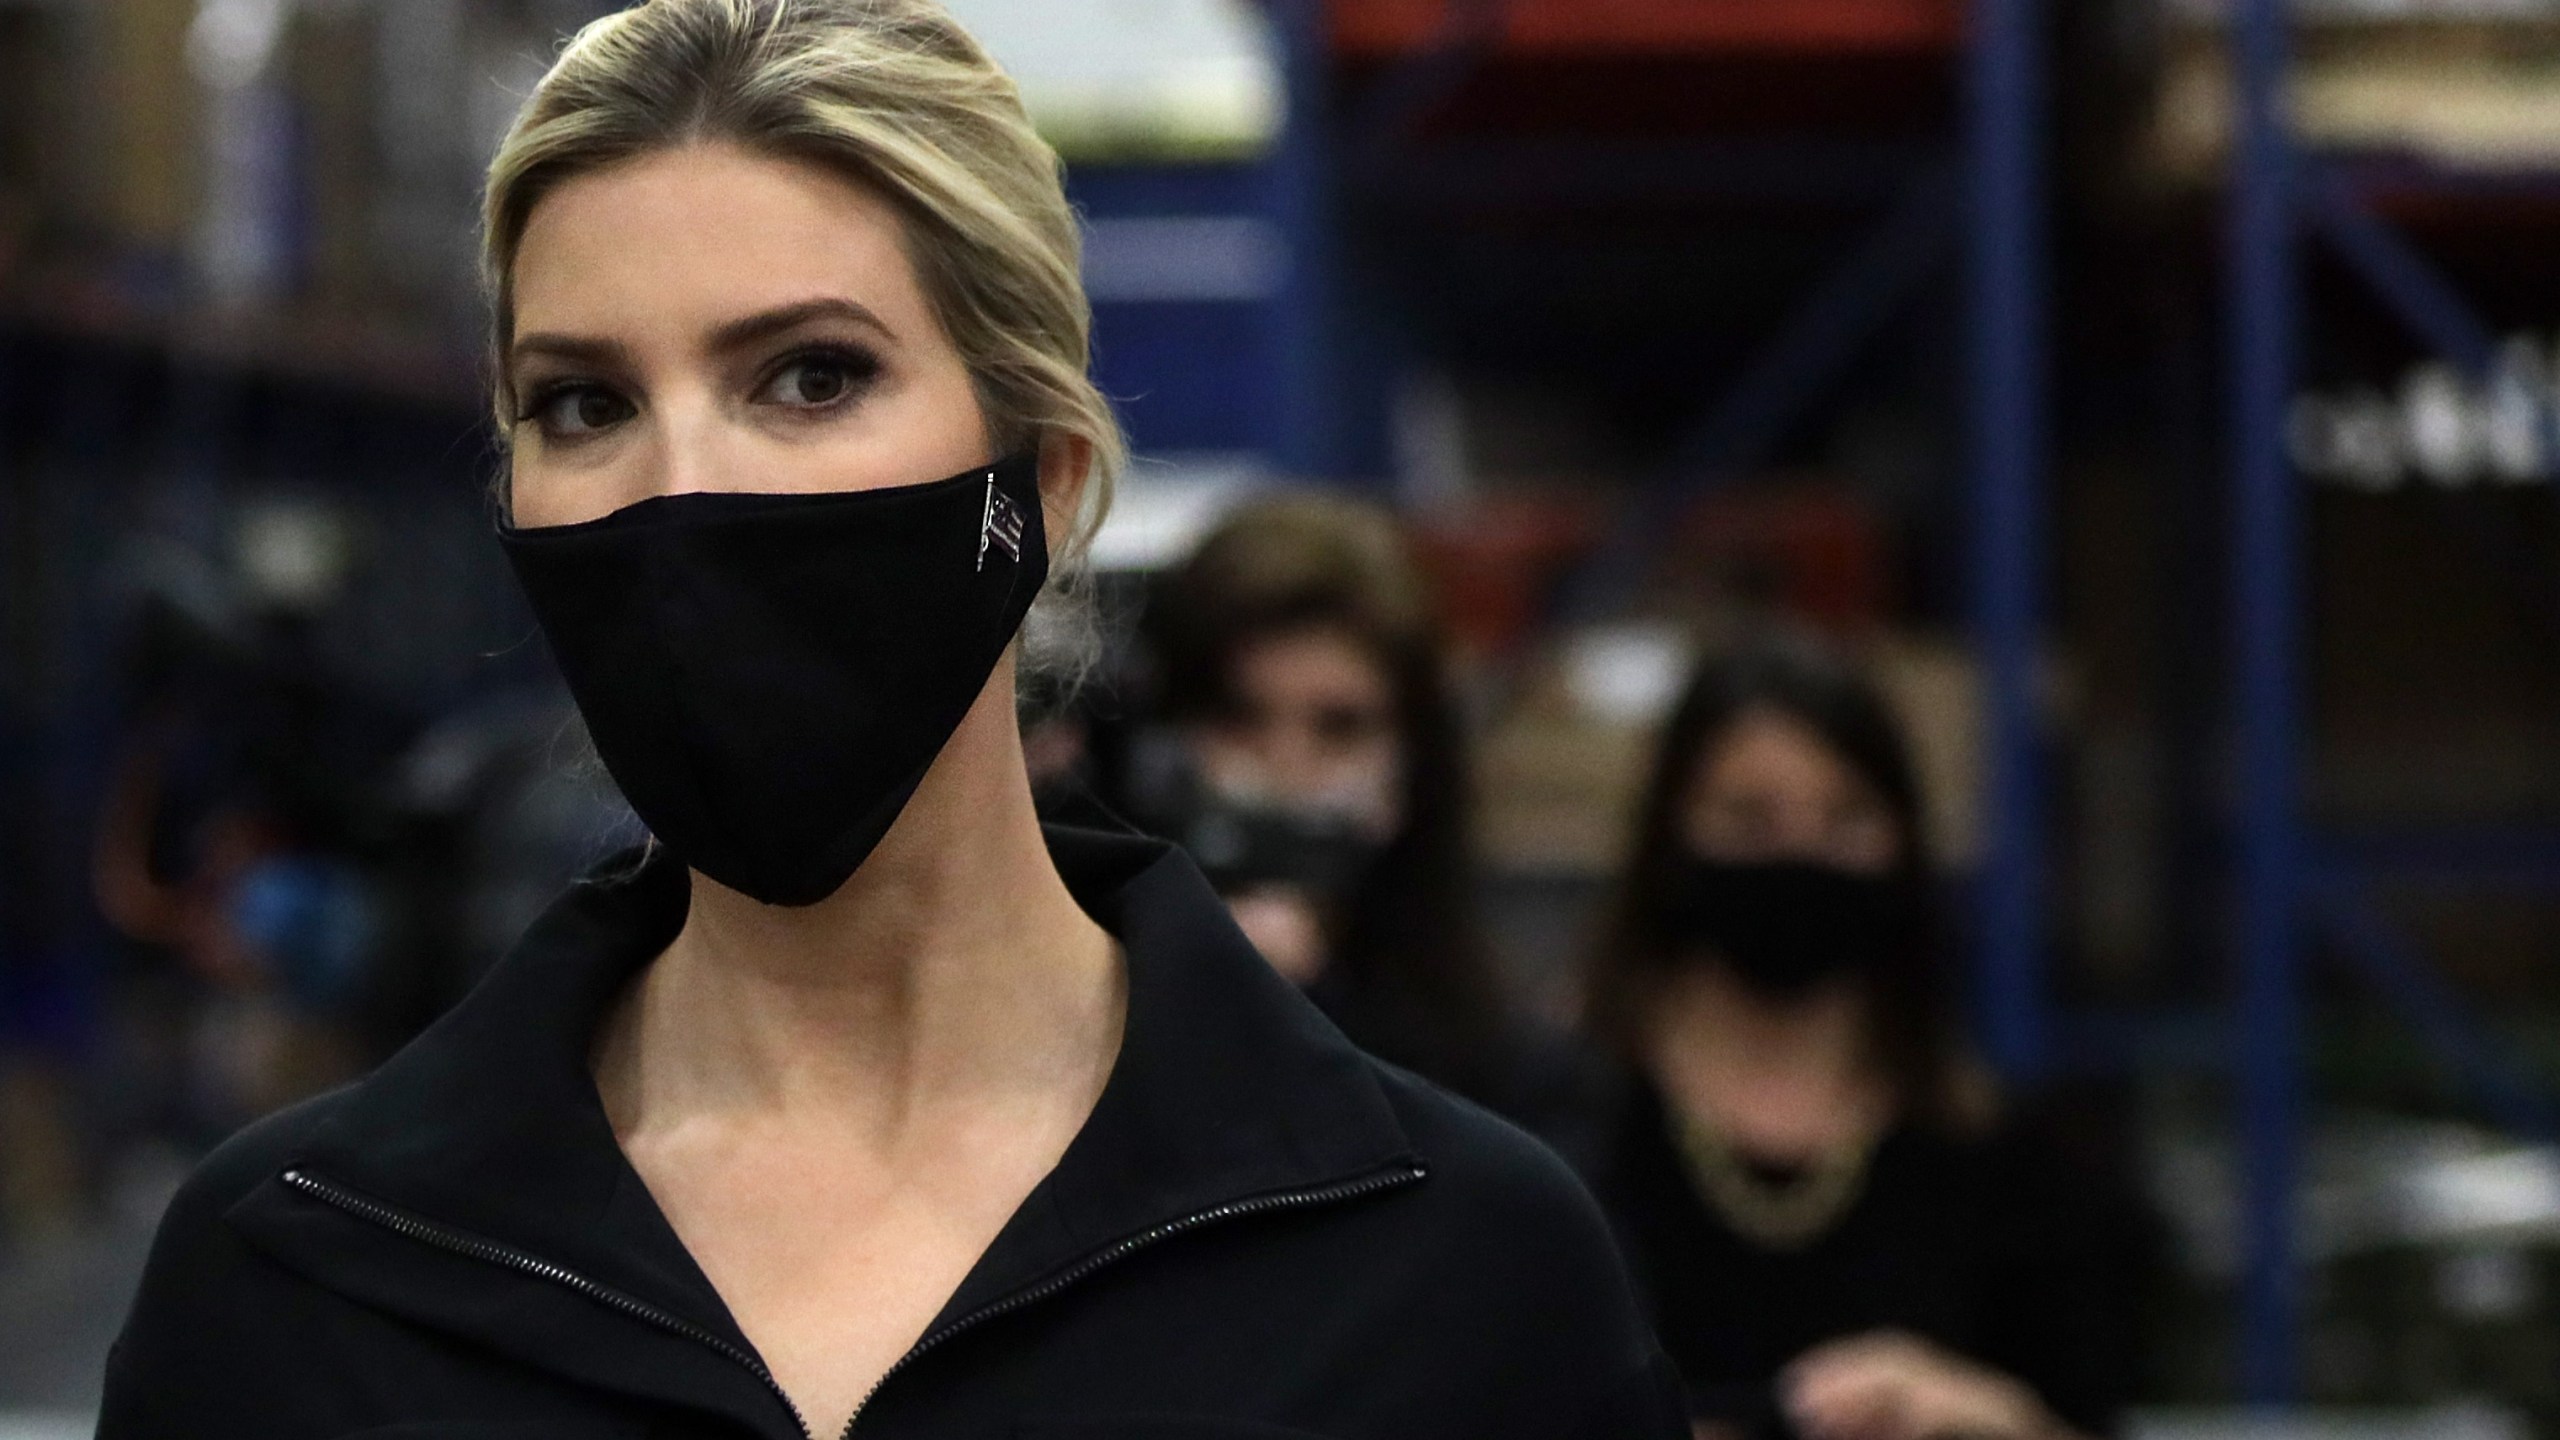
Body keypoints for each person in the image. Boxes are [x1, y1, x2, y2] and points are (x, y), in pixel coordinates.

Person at [99, 3, 1685, 1437]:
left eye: (809, 377)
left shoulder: (1452, 1273)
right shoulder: (298, 1277)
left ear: (1044, 485)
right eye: (583, 403)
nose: (684, 489)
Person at [1577, 634, 2144, 1440]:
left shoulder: (2014, 1166)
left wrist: (1976, 1414)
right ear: (1668, 835)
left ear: (1903, 844)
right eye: (1748, 817)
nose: (1799, 855)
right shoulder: (1560, 1133)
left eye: (1847, 819)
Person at [1137, 493, 1535, 1102]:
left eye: (1341, 726)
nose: (1285, 768)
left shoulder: (1495, 1060)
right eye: (1236, 716)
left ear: (1414, 753)